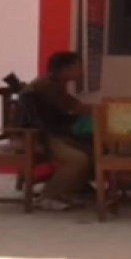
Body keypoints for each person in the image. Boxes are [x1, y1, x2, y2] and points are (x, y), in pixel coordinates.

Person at [23, 51, 93, 211]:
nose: (82, 71)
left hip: (52, 132)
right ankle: (48, 197)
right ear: (65, 69)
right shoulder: (48, 86)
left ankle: (66, 194)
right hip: (40, 136)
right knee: (77, 159)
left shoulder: (54, 83)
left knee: (91, 152)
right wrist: (107, 110)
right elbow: (78, 108)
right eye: (78, 67)